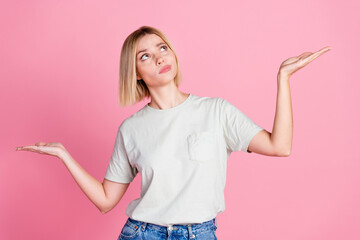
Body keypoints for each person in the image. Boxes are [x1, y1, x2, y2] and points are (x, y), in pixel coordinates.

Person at [15, 26, 331, 240]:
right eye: (145, 56)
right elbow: (106, 201)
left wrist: (283, 78)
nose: (159, 57)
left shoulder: (216, 110)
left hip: (201, 233)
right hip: (143, 233)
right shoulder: (131, 129)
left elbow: (280, 146)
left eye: (162, 47)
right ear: (136, 74)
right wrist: (63, 154)